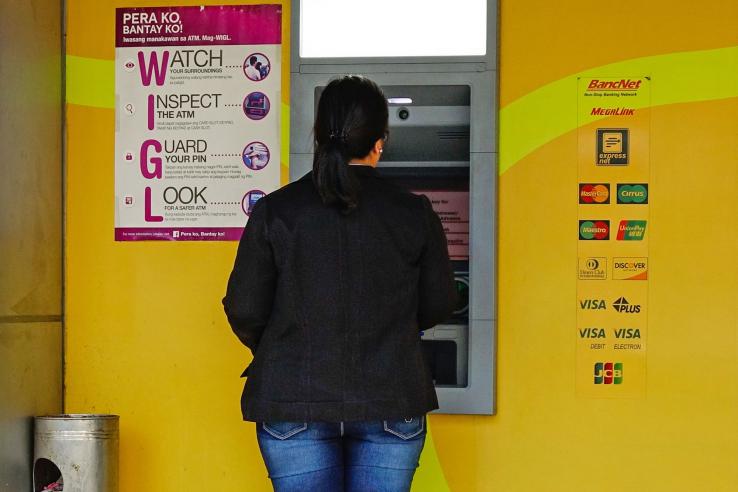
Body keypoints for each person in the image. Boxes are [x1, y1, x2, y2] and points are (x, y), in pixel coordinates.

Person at [222, 75, 457, 491]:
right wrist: (396, 329)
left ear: (317, 135)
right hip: (391, 394)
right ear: (379, 141)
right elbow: (440, 301)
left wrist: (281, 343)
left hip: (293, 395)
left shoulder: (277, 212)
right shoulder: (413, 213)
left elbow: (244, 305)